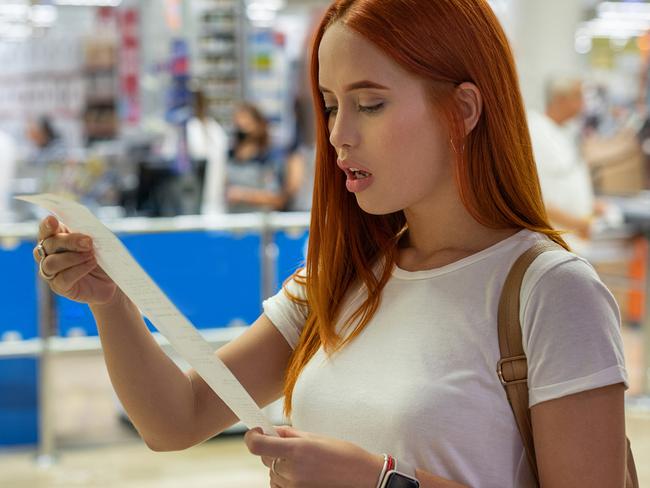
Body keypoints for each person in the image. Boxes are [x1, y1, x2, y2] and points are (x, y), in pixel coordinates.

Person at [32, 1, 630, 486]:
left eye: (370, 104)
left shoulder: (551, 292)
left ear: (463, 109)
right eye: (330, 105)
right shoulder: (341, 275)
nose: (340, 135)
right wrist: (112, 302)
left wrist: (381, 481)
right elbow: (176, 419)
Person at [527, 78, 601, 245]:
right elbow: (534, 196)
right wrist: (578, 224)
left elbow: (565, 179)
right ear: (561, 99)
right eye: (579, 97)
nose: (584, 104)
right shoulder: (536, 133)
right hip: (556, 237)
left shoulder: (564, 131)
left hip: (575, 236)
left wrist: (592, 205)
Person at [226, 102, 286, 213]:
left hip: (258, 225)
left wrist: (243, 195)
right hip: (232, 224)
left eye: (246, 123)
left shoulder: (268, 158)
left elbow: (276, 198)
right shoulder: (228, 157)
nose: (241, 127)